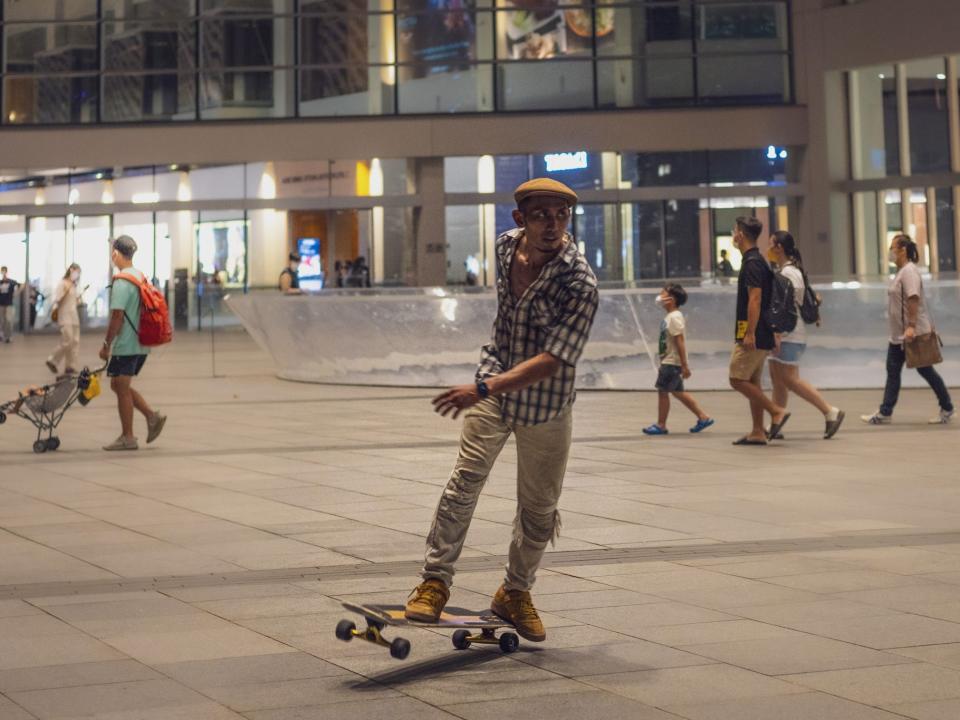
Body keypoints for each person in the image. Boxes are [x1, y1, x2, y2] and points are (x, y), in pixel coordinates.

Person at [404, 178, 599, 643]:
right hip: (493, 387)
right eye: (541, 216)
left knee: (538, 509)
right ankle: (434, 581)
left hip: (546, 403)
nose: (552, 225)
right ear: (520, 220)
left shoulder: (580, 281)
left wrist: (483, 387)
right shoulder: (506, 249)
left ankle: (515, 592)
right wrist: (489, 385)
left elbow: (555, 359)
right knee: (464, 481)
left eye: (561, 216)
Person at [862, 234, 954, 425]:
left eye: (893, 248)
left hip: (912, 334)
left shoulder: (909, 272)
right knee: (895, 370)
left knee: (925, 371)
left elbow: (913, 298)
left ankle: (947, 407)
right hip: (899, 336)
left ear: (903, 250)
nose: (890, 252)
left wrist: (911, 326)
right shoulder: (902, 271)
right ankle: (885, 412)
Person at [767, 231, 845, 439]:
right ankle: (777, 420)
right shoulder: (787, 270)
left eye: (771, 244)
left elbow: (787, 306)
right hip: (786, 331)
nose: (768, 248)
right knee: (778, 378)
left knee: (790, 379)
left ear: (779, 248)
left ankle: (830, 411)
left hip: (788, 333)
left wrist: (776, 332)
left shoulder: (789, 273)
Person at [98, 236, 167, 451]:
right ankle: (151, 416)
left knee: (121, 386)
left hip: (127, 344)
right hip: (141, 342)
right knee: (118, 385)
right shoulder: (140, 276)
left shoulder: (122, 280)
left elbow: (117, 316)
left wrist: (106, 343)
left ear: (116, 254)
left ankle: (128, 436)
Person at [728, 216, 790, 446]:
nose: (733, 235)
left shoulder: (753, 263)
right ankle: (757, 431)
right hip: (761, 330)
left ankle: (776, 411)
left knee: (736, 378)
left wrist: (750, 332)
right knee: (752, 381)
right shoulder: (756, 260)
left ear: (741, 235)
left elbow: (755, 299)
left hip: (754, 332)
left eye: (735, 230)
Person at [642, 283, 714, 436]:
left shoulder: (674, 317)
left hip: (671, 362)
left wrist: (684, 365)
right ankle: (703, 417)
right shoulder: (670, 317)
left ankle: (661, 425)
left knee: (663, 391)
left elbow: (679, 341)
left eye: (663, 293)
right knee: (677, 392)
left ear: (671, 299)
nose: (660, 296)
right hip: (670, 361)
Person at [45, 264, 82, 375]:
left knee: (75, 342)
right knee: (67, 340)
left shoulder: (74, 285)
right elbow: (58, 299)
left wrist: (78, 298)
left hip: (74, 317)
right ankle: (52, 360)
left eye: (79, 272)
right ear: (71, 270)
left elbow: (74, 302)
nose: (77, 274)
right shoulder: (62, 283)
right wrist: (66, 290)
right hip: (64, 317)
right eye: (76, 271)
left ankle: (70, 366)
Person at [0, 266, 18, 343]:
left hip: (9, 304)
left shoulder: (11, 282)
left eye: (4, 271)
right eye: (2, 271)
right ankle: (1, 335)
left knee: (8, 320)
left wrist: (15, 294)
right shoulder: (0, 282)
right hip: (1, 303)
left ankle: (8, 336)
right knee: (1, 320)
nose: (3, 272)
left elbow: (20, 286)